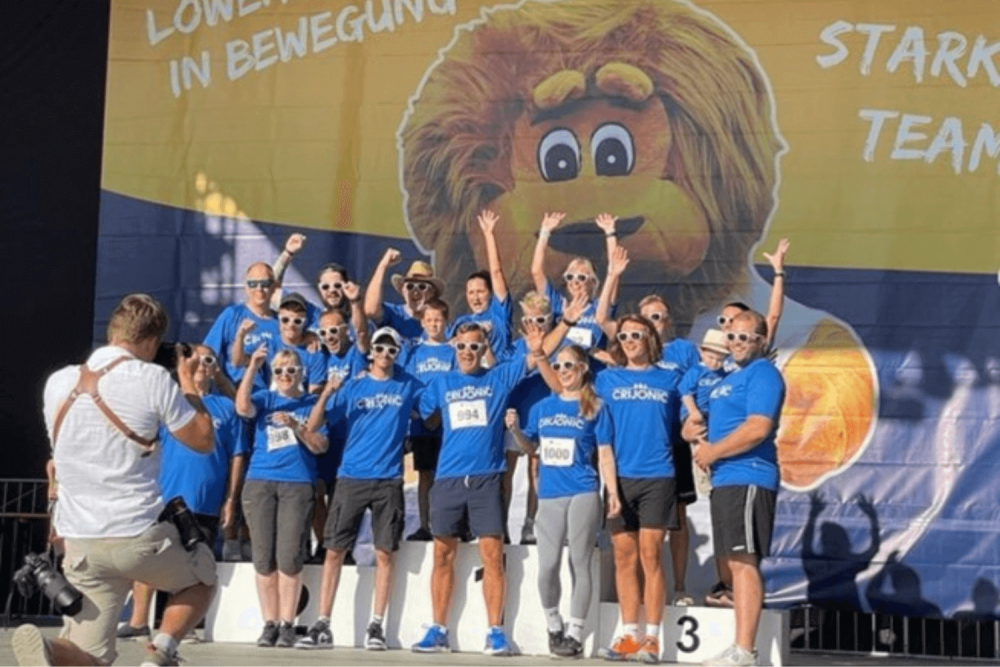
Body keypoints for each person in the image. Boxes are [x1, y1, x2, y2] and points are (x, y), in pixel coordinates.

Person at [16, 294, 216, 667]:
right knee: (201, 578)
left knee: (91, 656)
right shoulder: (153, 378)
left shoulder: (58, 382)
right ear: (152, 341)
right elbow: (203, 440)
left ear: (113, 332)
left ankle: (50, 652)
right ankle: (161, 653)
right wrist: (188, 380)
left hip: (81, 540)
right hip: (138, 534)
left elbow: (57, 460)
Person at [411, 322, 559, 656]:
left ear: (484, 350)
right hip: (448, 479)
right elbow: (420, 411)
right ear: (454, 347)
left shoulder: (498, 378)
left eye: (474, 347)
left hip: (487, 479)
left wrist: (545, 340)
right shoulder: (442, 383)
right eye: (462, 346)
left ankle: (495, 632)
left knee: (492, 556)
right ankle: (438, 629)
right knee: (442, 555)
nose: (467, 352)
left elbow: (534, 357)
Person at [296, 327, 421, 650]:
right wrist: (327, 392)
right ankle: (322, 624)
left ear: (397, 354)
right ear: (371, 352)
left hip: (389, 480)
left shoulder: (409, 384)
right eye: (380, 348)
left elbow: (432, 410)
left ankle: (376, 626)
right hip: (351, 478)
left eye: (391, 349)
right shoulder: (354, 386)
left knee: (384, 553)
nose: (385, 354)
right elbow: (312, 425)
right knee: (334, 550)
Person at [118, 345, 247, 642]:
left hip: (206, 500)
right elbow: (146, 443)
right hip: (165, 495)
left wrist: (231, 498)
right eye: (194, 359)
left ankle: (181, 627)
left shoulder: (226, 408)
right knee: (149, 557)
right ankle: (138, 622)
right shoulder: (170, 401)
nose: (201, 365)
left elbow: (237, 455)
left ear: (215, 367)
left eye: (207, 360)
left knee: (194, 566)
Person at [597, 245, 702, 607]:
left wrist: (695, 433)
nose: (632, 338)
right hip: (626, 465)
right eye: (646, 318)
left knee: (668, 529)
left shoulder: (682, 354)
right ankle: (631, 619)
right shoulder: (613, 374)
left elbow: (693, 398)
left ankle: (678, 590)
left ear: (665, 324)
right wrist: (613, 273)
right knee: (628, 552)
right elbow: (602, 319)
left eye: (658, 317)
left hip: (668, 454)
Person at [505, 345, 621, 658]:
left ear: (583, 368)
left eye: (569, 365)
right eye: (557, 366)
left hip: (583, 491)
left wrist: (612, 492)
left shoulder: (595, 406)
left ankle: (575, 632)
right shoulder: (543, 407)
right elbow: (531, 448)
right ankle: (554, 625)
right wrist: (515, 430)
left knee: (579, 562)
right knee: (547, 565)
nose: (563, 371)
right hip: (550, 495)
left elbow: (605, 454)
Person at [686, 310, 785, 667]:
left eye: (745, 337)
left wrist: (714, 451)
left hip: (749, 475)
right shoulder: (728, 377)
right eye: (732, 336)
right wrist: (691, 429)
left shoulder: (763, 374)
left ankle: (745, 651)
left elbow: (758, 427)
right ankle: (739, 647)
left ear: (761, 341)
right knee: (731, 563)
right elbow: (703, 419)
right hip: (725, 479)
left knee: (743, 562)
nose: (737, 343)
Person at [595, 314, 683, 664]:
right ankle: (629, 635)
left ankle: (652, 639)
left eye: (637, 335)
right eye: (625, 336)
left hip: (658, 476)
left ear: (650, 339)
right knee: (623, 557)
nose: (631, 341)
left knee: (651, 556)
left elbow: (683, 423)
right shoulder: (606, 380)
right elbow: (603, 439)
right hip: (619, 479)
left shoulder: (670, 379)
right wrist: (611, 489)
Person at [235, 346, 328, 648]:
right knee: (263, 557)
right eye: (279, 371)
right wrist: (252, 367)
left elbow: (320, 446)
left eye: (291, 370)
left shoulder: (311, 404)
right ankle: (270, 623)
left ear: (301, 373)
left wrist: (296, 426)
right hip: (260, 481)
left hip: (296, 483)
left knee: (289, 557)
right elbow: (242, 407)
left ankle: (288, 623)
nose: (285, 376)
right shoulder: (265, 399)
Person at [503, 290, 588, 545]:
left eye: (540, 320)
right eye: (529, 320)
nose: (535, 325)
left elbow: (561, 386)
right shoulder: (516, 347)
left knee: (536, 472)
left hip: (547, 415)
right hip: (517, 414)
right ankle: (502, 527)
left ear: (551, 319)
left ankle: (530, 523)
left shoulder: (564, 349)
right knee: (506, 473)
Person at [311, 281, 370, 561]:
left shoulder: (356, 354)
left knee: (341, 497)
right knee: (315, 491)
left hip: (350, 438)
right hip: (324, 434)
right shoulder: (319, 355)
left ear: (345, 330)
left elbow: (362, 332)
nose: (329, 337)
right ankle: (324, 544)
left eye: (334, 331)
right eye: (323, 332)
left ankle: (340, 550)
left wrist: (356, 303)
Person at [402, 299, 455, 541]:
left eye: (438, 320)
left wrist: (441, 414)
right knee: (425, 476)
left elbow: (456, 384)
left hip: (447, 425)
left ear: (446, 322)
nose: (434, 324)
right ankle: (424, 525)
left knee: (446, 475)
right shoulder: (415, 352)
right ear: (422, 322)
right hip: (421, 425)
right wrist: (419, 414)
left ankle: (447, 524)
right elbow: (408, 386)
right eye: (429, 320)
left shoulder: (453, 351)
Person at [531, 212, 619, 350]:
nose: (575, 282)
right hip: (560, 363)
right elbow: (536, 272)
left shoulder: (599, 306)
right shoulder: (558, 303)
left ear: (593, 282)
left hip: (590, 363)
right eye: (570, 277)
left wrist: (610, 234)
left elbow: (615, 270)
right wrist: (545, 232)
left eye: (581, 277)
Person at [203, 262, 281, 388]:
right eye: (253, 284)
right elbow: (206, 353)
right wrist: (223, 385)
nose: (259, 288)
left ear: (274, 287)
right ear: (245, 288)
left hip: (270, 395)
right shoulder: (232, 314)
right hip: (234, 392)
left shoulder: (283, 322)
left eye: (265, 283)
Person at [446, 210, 513, 355]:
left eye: (480, 292)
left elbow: (496, 272)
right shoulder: (461, 322)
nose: (475, 297)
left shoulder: (498, 313)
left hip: (498, 367)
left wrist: (488, 235)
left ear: (491, 293)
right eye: (471, 293)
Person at [233, 292, 326, 393]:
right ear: (279, 319)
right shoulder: (268, 344)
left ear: (305, 322)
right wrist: (240, 336)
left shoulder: (314, 351)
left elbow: (314, 393)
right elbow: (238, 362)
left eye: (297, 321)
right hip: (270, 400)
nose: (291, 325)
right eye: (285, 320)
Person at [365, 248, 445, 341]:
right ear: (403, 291)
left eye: (422, 287)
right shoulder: (394, 314)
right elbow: (371, 310)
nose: (415, 292)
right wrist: (383, 265)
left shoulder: (437, 325)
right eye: (410, 286)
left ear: (431, 293)